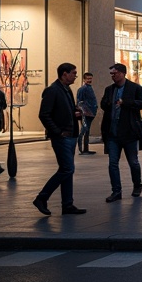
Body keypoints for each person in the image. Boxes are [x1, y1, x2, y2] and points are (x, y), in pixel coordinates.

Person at [34, 61, 84, 216]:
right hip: (62, 137)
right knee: (67, 169)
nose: (76, 76)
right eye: (73, 73)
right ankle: (42, 198)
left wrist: (76, 113)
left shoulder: (67, 90)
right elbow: (44, 114)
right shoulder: (53, 90)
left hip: (71, 135)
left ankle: (67, 204)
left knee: (67, 170)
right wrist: (57, 132)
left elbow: (65, 111)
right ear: (65, 74)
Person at [99, 62, 142, 202]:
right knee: (113, 163)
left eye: (115, 73)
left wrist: (126, 102)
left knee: (133, 162)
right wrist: (108, 103)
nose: (113, 76)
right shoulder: (110, 89)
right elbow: (103, 104)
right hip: (113, 133)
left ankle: (137, 185)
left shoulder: (134, 88)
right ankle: (116, 191)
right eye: (111, 74)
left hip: (129, 132)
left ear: (122, 73)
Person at [76, 71, 98, 155]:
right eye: (88, 79)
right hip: (86, 113)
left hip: (91, 112)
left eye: (90, 78)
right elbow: (79, 102)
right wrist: (84, 111)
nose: (89, 80)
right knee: (84, 130)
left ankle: (85, 148)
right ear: (84, 79)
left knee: (87, 130)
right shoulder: (82, 89)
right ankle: (81, 149)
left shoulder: (89, 88)